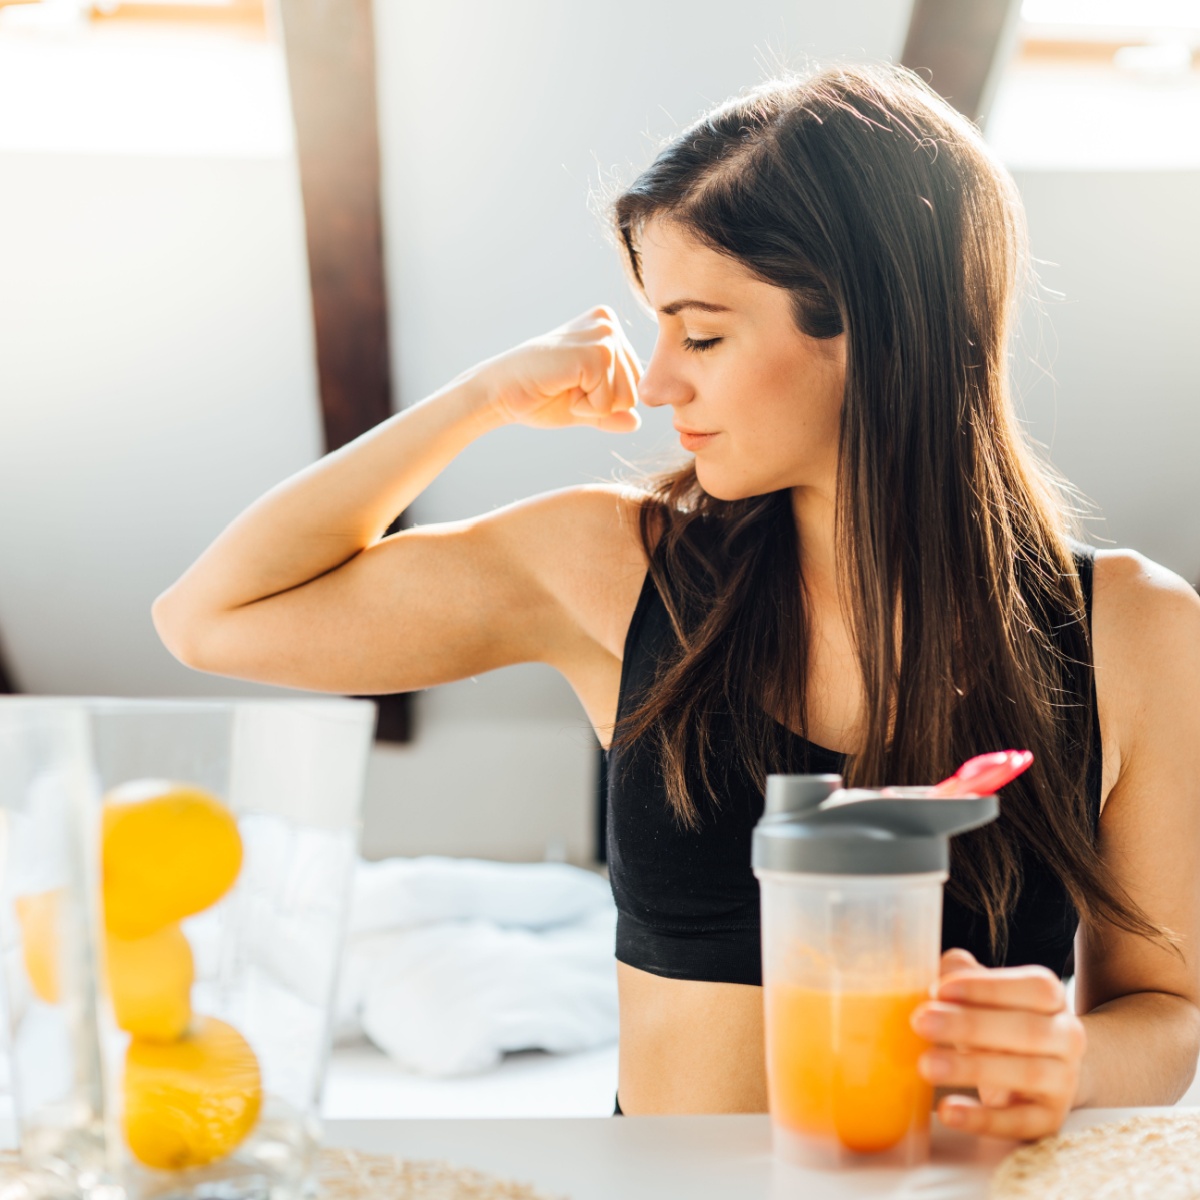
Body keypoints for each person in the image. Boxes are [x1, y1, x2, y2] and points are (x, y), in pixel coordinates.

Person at [152, 63, 1200, 1138]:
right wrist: (481, 401)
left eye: (700, 335)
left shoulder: (1133, 629)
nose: (656, 382)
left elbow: (1164, 1017)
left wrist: (1065, 1059)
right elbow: (213, 618)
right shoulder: (610, 568)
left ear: (874, 333)